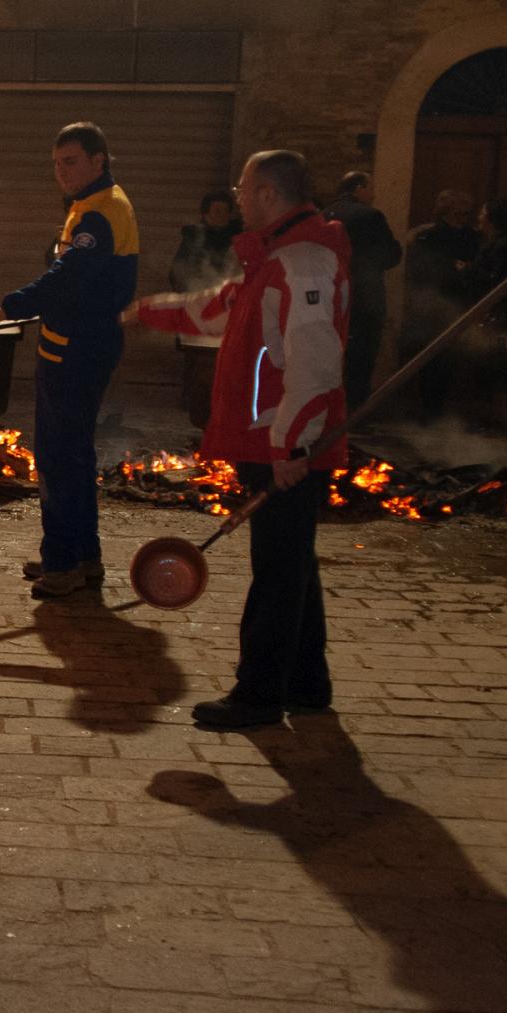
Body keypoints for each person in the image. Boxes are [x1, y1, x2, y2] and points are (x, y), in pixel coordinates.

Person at [133, 150, 350, 731]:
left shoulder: (302, 264)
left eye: (245, 186)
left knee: (277, 571)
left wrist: (291, 448)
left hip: (279, 443)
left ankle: (259, 695)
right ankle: (308, 685)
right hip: (273, 441)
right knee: (294, 564)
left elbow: (314, 365)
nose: (237, 193)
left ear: (271, 196)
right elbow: (221, 307)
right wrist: (149, 312)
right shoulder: (275, 259)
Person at [0, 123, 139, 599]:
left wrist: (2, 310)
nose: (62, 172)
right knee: (72, 454)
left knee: (59, 458)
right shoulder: (93, 206)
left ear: (99, 160)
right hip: (74, 345)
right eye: (57, 163)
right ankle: (83, 556)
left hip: (77, 351)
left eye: (72, 161)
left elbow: (64, 281)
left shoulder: (99, 214)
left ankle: (64, 564)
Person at [324, 171, 403, 412]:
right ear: (358, 188)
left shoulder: (324, 215)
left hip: (330, 295)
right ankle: (354, 413)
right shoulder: (371, 216)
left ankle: (328, 411)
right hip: (365, 297)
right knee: (362, 356)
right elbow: (391, 255)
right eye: (370, 188)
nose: (373, 193)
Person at [402, 188, 480, 419]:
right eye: (459, 212)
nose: (463, 216)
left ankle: (436, 406)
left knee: (446, 359)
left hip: (452, 304)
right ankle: (430, 407)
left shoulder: (468, 237)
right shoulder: (430, 236)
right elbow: (421, 269)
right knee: (431, 359)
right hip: (434, 304)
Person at [464, 199, 507, 322]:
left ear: (492, 219)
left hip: (502, 317)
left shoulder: (504, 247)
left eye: (482, 213)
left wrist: (467, 270)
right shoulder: (506, 243)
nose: (478, 217)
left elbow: (495, 281)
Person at [169, 190, 244, 291]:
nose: (222, 215)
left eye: (226, 211)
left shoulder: (238, 238)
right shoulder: (195, 238)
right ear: (205, 214)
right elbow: (177, 273)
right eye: (217, 211)